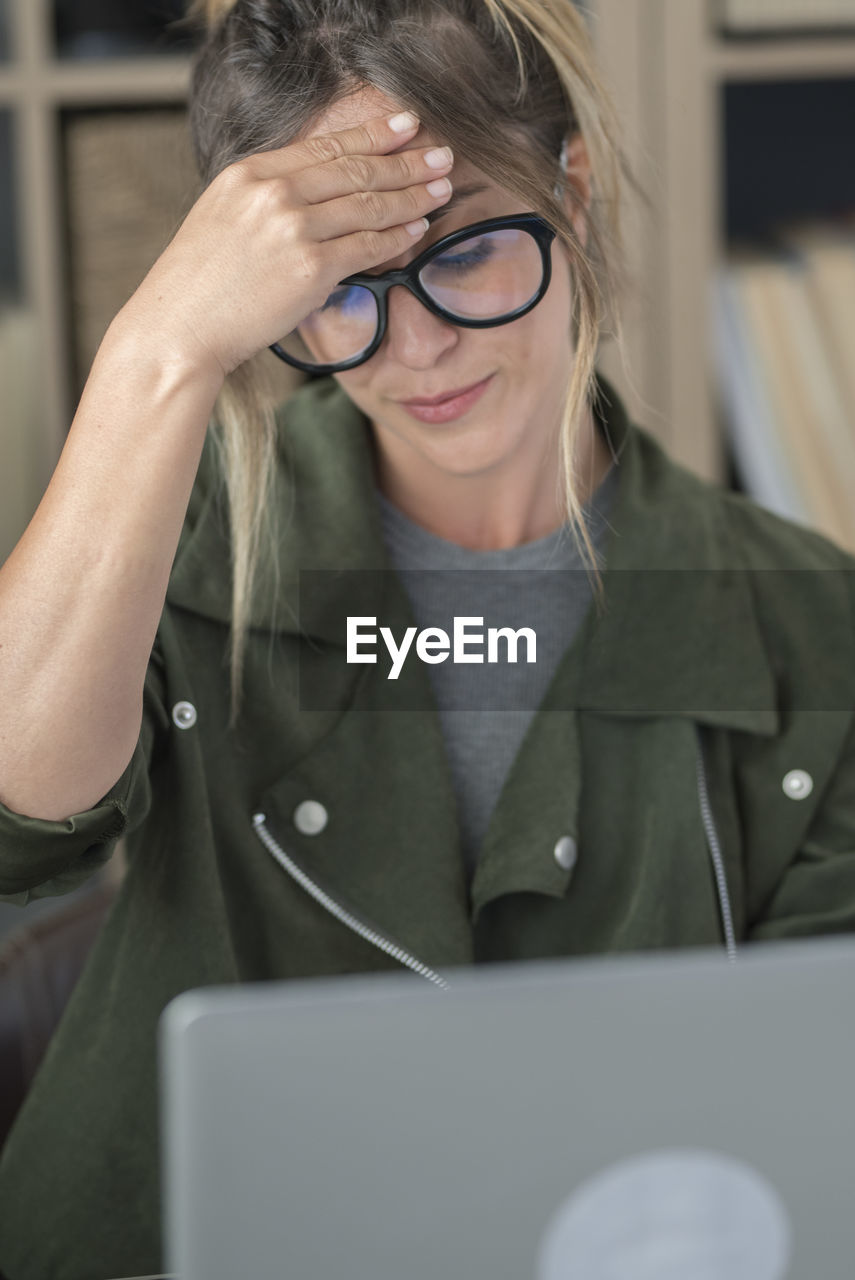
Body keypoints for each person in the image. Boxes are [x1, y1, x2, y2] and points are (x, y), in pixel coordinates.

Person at [1, 1, 854, 1277]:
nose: (416, 346)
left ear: (570, 192)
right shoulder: (182, 535)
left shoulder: (812, 630)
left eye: (463, 253)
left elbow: (805, 1133)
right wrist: (157, 351)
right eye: (342, 289)